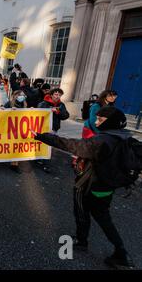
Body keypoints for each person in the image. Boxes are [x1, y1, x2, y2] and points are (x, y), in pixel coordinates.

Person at [31, 106, 135, 269]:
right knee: (104, 218)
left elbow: (70, 144)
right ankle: (121, 252)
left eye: (100, 119)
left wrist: (41, 137)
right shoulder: (126, 138)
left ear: (112, 122)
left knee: (81, 212)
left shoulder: (102, 141)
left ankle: (81, 241)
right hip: (108, 186)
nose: (96, 121)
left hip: (88, 184)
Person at [5, 90, 28, 174]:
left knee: (18, 146)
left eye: (23, 95)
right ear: (15, 96)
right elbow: (1, 113)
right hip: (10, 128)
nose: (22, 97)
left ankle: (14, 164)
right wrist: (9, 110)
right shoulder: (9, 103)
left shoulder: (24, 104)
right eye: (20, 95)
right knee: (11, 146)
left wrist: (31, 111)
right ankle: (10, 160)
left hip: (20, 128)